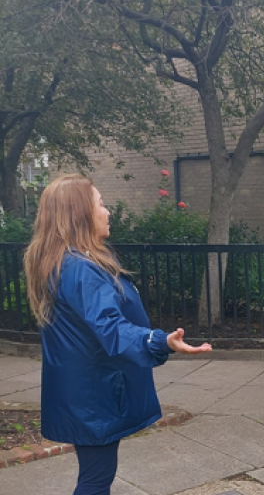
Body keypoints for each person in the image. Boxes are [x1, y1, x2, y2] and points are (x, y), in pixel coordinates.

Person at [24, 174, 212, 495]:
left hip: (83, 391)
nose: (107, 211)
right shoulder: (80, 269)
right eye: (100, 204)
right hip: (93, 395)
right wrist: (159, 341)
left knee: (96, 475)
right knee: (96, 479)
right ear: (80, 214)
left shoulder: (62, 262)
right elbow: (111, 328)